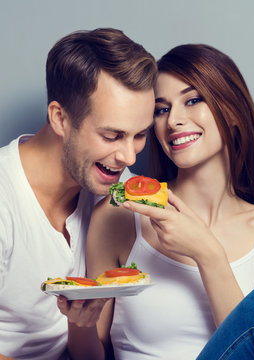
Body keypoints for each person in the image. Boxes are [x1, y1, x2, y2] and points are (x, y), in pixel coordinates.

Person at [58, 44, 254, 359]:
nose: (173, 121)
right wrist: (80, 324)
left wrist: (207, 254)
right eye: (161, 109)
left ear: (234, 112)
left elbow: (252, 351)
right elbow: (90, 355)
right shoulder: (119, 216)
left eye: (193, 100)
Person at [0, 28, 157, 359]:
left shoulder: (113, 184)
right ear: (60, 118)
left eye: (140, 135)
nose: (129, 157)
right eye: (112, 135)